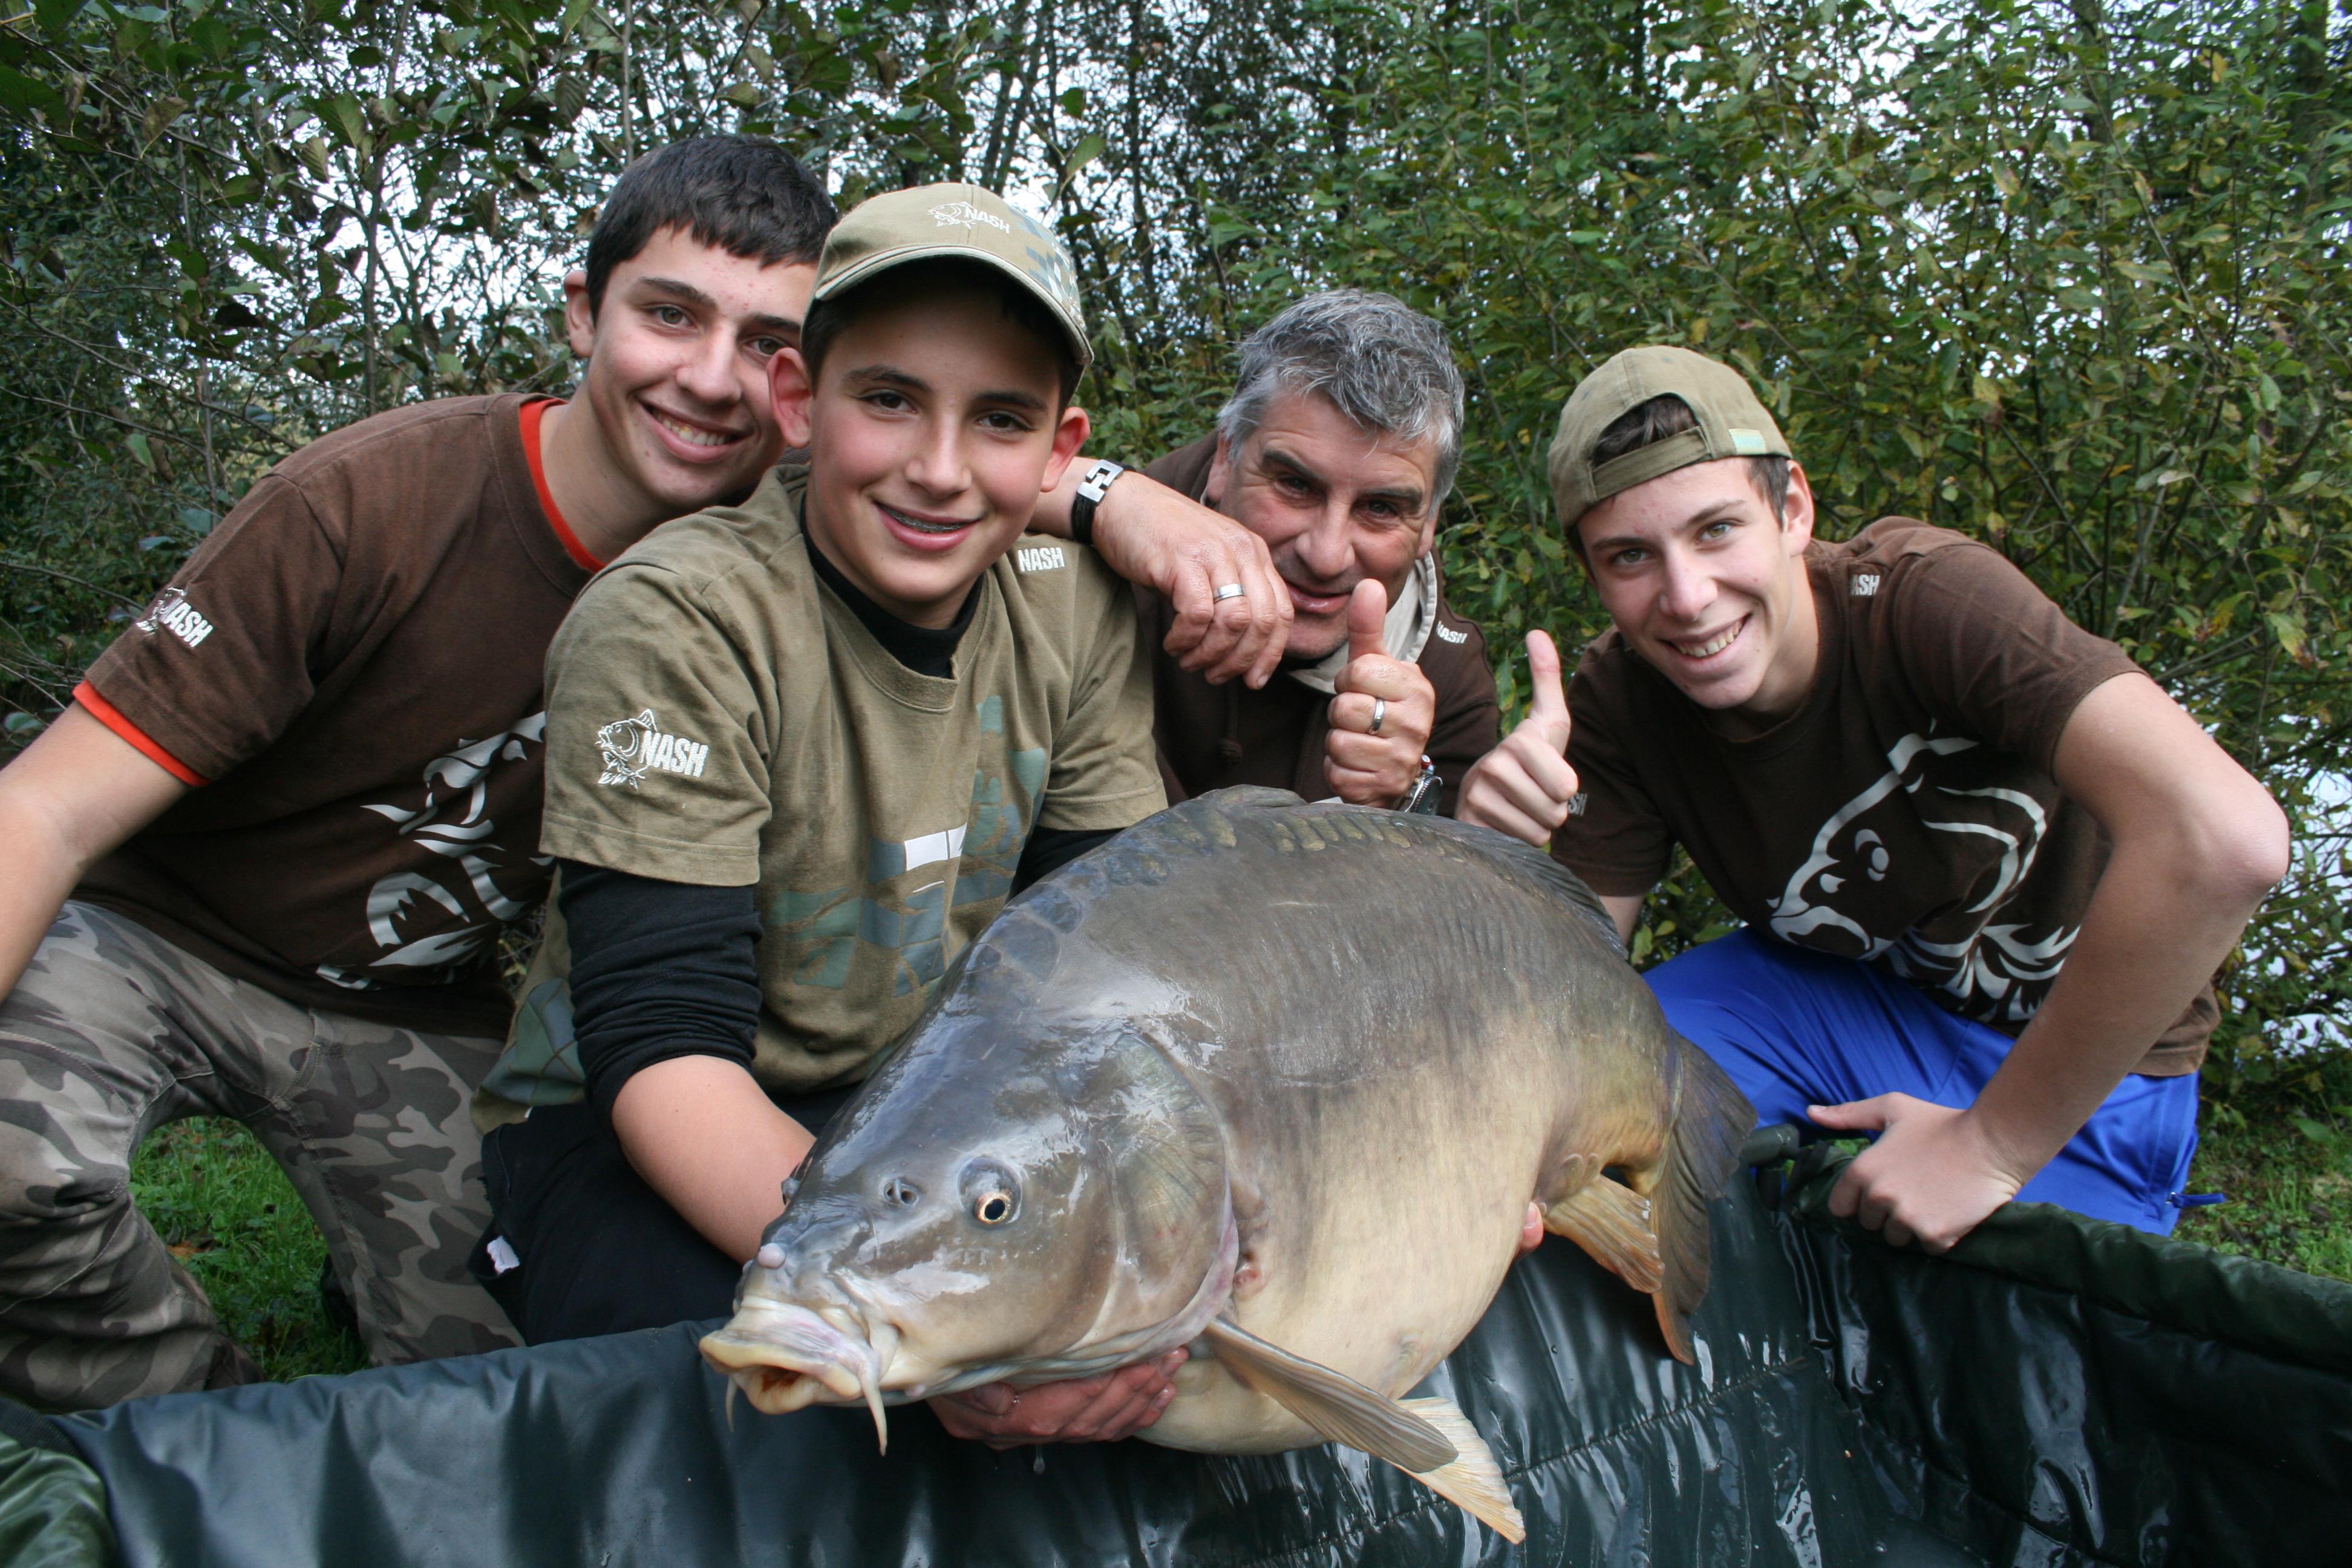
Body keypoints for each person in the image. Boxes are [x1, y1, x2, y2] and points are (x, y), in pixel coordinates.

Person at [0, 135, 844, 1410]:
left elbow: (980, 464)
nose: (712, 380)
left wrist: (1127, 503)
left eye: (769, 346)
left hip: (412, 1004)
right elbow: (46, 806)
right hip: (155, 935)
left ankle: (375, 1275)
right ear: (584, 311)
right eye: (669, 316)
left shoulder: (794, 534)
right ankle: (205, 1429)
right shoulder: (371, 504)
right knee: (12, 1171)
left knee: (525, 1360)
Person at [469, 182, 1180, 1443]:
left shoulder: (1072, 606)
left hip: (934, 1118)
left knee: (1140, 1362)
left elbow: (1112, 979)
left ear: (1062, 450)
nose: (941, 468)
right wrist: (906, 1303)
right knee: (768, 1420)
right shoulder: (680, 619)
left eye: (999, 419)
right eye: (890, 399)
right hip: (642, 1121)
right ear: (801, 401)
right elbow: (664, 1050)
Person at [1459, 344, 2289, 1250]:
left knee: (2037, 1311)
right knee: (1597, 1105)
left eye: (1718, 530)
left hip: (2093, 1058)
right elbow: (1572, 999)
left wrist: (1994, 1146)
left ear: (1794, 511)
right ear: (1593, 578)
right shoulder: (1621, 702)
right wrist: (1489, 855)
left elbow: (2227, 839)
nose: (1688, 598)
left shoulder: (1924, 602)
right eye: (1630, 557)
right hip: (1841, 1010)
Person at [1037, 291, 1498, 812]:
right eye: (1295, 485)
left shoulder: (1449, 674)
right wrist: (1097, 495)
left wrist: (1404, 802)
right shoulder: (1109, 552)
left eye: (1382, 508)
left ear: (1430, 521)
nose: (1326, 556)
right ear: (1225, 458)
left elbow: (1454, 883)